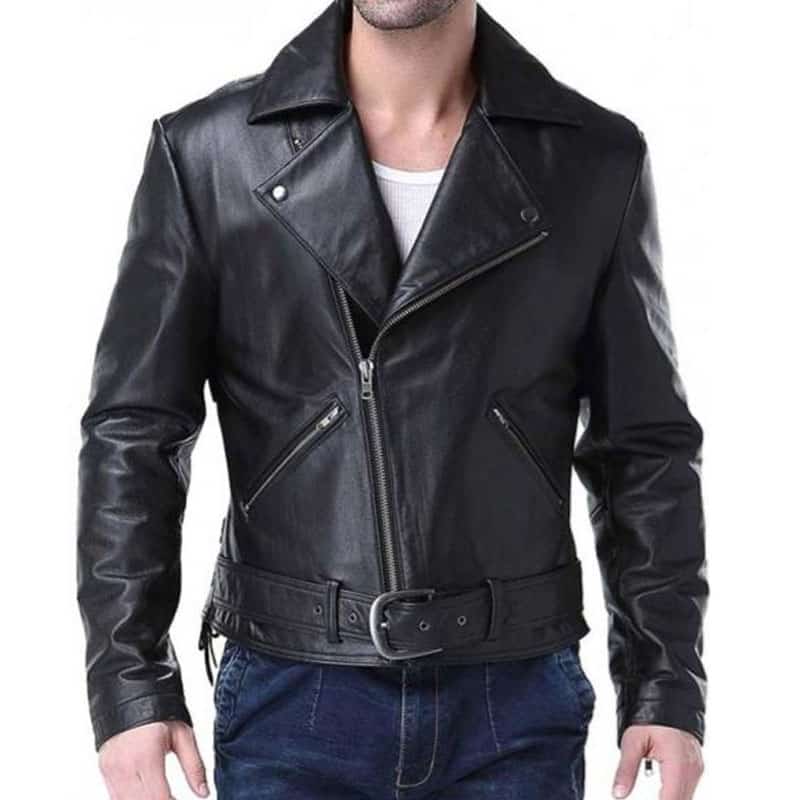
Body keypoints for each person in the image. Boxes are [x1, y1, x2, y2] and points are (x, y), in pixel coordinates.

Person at [76, 1, 708, 798]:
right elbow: (134, 432)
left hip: (512, 700)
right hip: (292, 696)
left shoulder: (594, 160)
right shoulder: (209, 152)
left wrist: (665, 683)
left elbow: (642, 447)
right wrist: (128, 684)